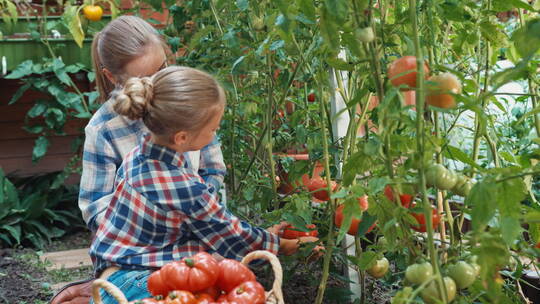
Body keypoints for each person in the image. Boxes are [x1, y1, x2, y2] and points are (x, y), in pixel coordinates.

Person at [89, 66, 315, 303]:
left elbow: (200, 229)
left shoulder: (136, 157)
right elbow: (230, 235)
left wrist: (264, 237)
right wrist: (286, 245)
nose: (214, 134)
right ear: (182, 138)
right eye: (213, 129)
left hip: (109, 280)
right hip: (137, 286)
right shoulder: (183, 187)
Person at [50, 15, 225, 304]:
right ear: (112, 78)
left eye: (162, 69)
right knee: (156, 293)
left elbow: (213, 170)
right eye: (143, 78)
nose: (156, 84)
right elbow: (96, 207)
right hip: (136, 258)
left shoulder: (191, 106)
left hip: (194, 247)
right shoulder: (103, 129)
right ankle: (102, 289)